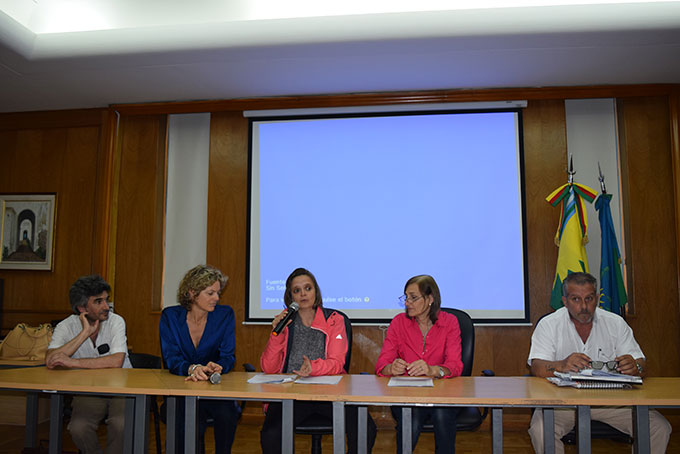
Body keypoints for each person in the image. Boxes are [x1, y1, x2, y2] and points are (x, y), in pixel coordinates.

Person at [527, 271, 672, 454]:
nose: (584, 307)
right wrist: (561, 365)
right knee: (540, 430)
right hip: (563, 404)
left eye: (589, 299)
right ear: (564, 301)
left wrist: (635, 367)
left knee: (658, 427)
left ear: (597, 298)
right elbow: (536, 367)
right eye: (575, 300)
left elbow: (641, 364)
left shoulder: (615, 323)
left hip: (612, 403)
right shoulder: (549, 324)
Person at [259, 267, 377, 454]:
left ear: (316, 292)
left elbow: (337, 363)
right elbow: (268, 368)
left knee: (365, 428)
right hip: (293, 394)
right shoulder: (285, 322)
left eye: (308, 288)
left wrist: (313, 367)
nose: (303, 294)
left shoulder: (334, 320)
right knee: (271, 434)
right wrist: (277, 335)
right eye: (296, 291)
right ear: (290, 297)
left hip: (330, 392)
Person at [376, 274, 464, 454]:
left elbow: (455, 364)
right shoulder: (398, 323)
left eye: (413, 297)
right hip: (407, 395)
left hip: (442, 395)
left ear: (430, 299)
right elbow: (382, 364)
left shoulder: (450, 322)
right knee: (411, 417)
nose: (407, 302)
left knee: (442, 414)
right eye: (406, 297)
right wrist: (391, 368)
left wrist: (433, 369)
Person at [45, 274, 131, 454]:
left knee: (121, 424)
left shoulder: (116, 321)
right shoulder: (66, 326)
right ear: (81, 308)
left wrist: (71, 362)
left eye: (107, 300)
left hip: (123, 388)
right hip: (89, 389)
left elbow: (116, 361)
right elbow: (51, 360)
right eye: (98, 302)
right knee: (78, 427)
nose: (106, 307)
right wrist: (84, 333)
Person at [159, 264, 240, 454]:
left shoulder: (224, 315)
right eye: (210, 293)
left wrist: (218, 366)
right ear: (192, 293)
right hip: (181, 389)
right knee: (185, 422)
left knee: (228, 414)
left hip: (214, 391)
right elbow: (170, 358)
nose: (217, 299)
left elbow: (228, 356)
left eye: (218, 293)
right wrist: (192, 368)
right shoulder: (170, 316)